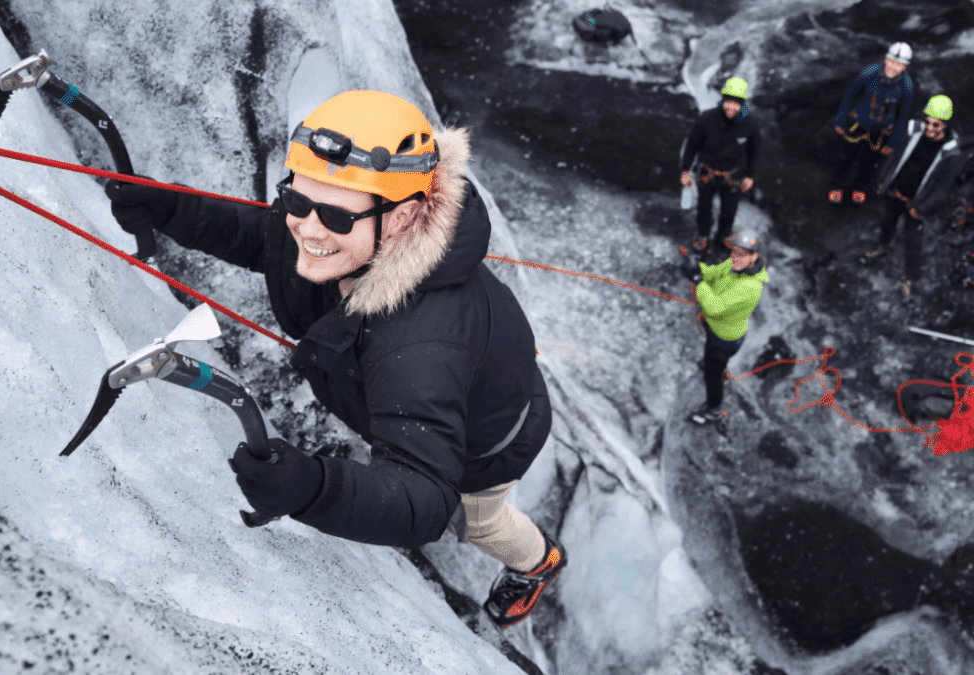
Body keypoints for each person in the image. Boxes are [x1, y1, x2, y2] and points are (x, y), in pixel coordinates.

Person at [103, 90, 566, 629]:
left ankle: (537, 562)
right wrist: (173, 208)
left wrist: (318, 489)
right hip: (450, 387)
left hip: (489, 443)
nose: (309, 228)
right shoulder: (351, 225)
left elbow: (425, 495)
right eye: (297, 201)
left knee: (480, 519)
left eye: (335, 217)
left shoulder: (418, 345)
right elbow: (268, 239)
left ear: (403, 216)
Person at [862, 95, 964, 300]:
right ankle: (883, 246)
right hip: (897, 189)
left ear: (945, 125)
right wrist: (884, 179)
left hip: (917, 201)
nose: (929, 128)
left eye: (935, 125)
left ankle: (909, 278)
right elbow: (896, 156)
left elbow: (942, 188)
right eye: (927, 122)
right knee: (888, 220)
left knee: (913, 239)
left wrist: (922, 208)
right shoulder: (913, 130)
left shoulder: (951, 154)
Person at [681, 229, 769, 428]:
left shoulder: (751, 287)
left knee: (711, 378)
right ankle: (721, 372)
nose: (735, 258)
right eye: (734, 252)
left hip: (724, 340)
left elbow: (716, 307)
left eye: (742, 254)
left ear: (754, 257)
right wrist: (697, 269)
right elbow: (713, 274)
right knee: (713, 365)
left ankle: (713, 410)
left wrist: (697, 281)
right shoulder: (735, 264)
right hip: (718, 330)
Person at [679, 77, 760, 255]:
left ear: (742, 104)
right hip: (707, 172)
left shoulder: (750, 125)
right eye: (727, 101)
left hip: (732, 175)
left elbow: (753, 151)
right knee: (704, 207)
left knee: (729, 211)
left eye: (736, 103)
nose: (730, 107)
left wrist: (750, 176)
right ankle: (703, 235)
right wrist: (685, 170)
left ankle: (722, 237)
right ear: (722, 100)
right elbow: (692, 144)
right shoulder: (707, 119)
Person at [828, 42, 914, 205]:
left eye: (899, 65)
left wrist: (893, 142)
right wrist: (840, 119)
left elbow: (903, 115)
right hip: (859, 123)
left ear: (905, 67)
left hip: (881, 132)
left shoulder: (906, 86)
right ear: (886, 59)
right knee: (846, 156)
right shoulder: (870, 73)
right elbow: (850, 95)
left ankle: (859, 188)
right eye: (891, 62)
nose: (894, 67)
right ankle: (836, 185)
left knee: (869, 162)